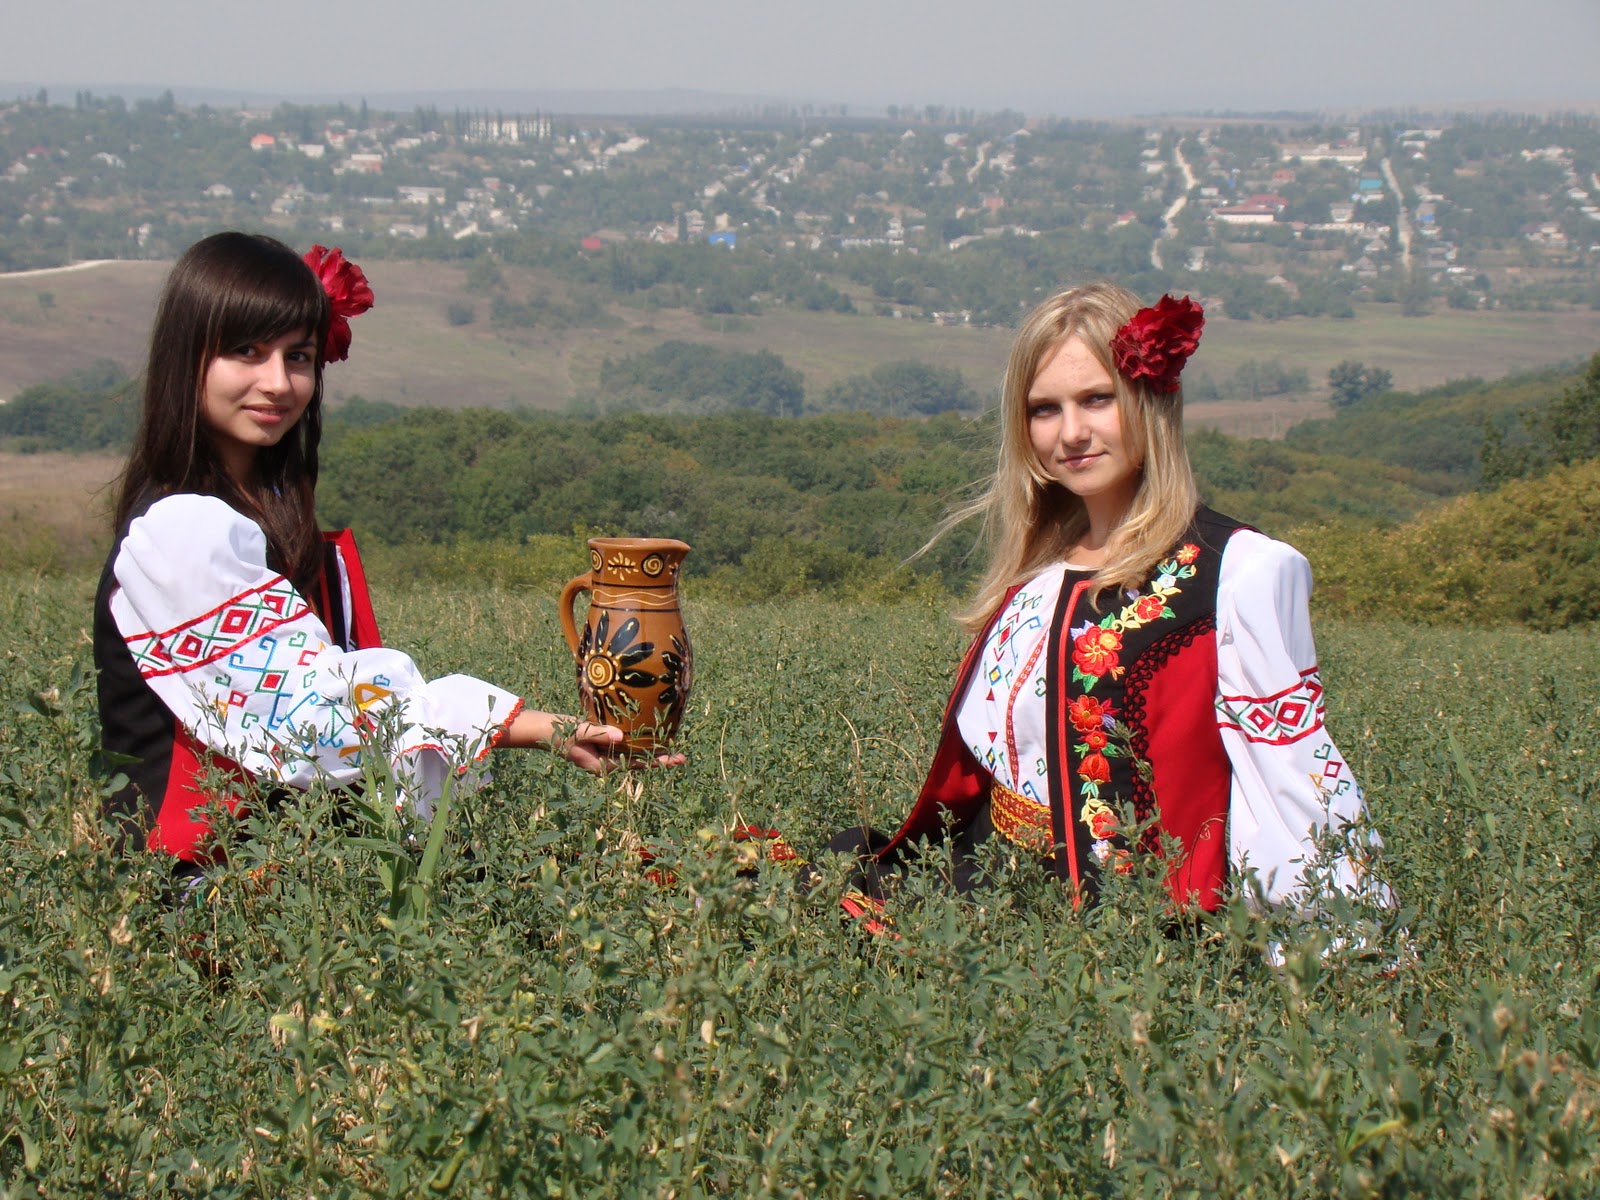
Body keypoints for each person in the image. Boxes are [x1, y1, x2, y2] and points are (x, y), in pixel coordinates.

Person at [95, 231, 671, 868]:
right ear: (187, 356)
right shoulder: (181, 531)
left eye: (297, 356)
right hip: (200, 881)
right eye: (246, 351)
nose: (277, 382)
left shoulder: (258, 510)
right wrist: (530, 725)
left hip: (282, 866)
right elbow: (310, 713)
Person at [832, 281, 1383, 917]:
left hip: (1125, 925)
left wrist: (1334, 947)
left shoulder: (1240, 572)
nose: (1071, 432)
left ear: (1151, 400)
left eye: (1097, 399)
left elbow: (1293, 780)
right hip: (986, 886)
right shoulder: (1039, 572)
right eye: (1045, 409)